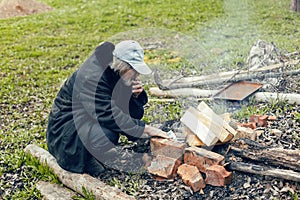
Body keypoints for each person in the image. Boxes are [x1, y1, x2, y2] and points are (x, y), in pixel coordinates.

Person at [46, 40, 169, 176]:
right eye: (134, 71)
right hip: (66, 133)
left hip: (87, 119)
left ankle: (92, 150)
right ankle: (83, 158)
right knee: (107, 134)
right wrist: (146, 129)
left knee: (113, 129)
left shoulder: (116, 71)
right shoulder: (92, 77)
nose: (137, 75)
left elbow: (132, 114)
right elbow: (109, 115)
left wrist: (135, 97)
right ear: (123, 66)